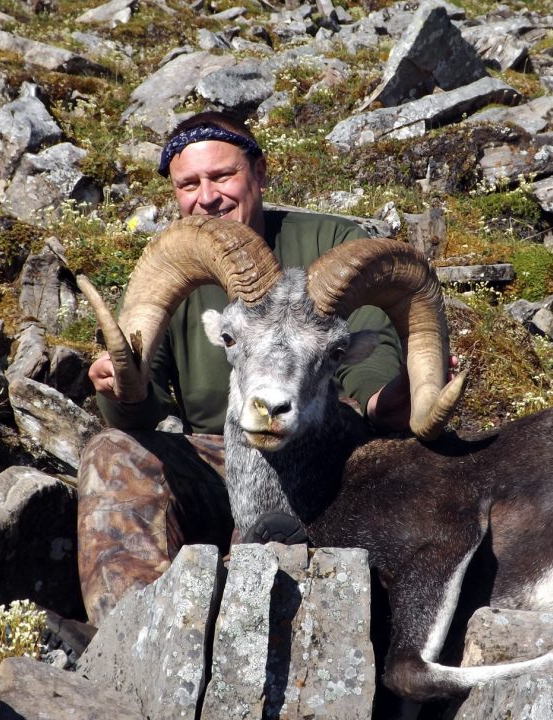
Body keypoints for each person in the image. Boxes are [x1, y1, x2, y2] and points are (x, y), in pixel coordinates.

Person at [76, 111, 409, 625]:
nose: (206, 197)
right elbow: (142, 403)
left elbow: (370, 354)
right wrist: (122, 388)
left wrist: (385, 397)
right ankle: (133, 632)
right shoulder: (181, 259)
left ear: (260, 172)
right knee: (110, 452)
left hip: (322, 445)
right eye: (188, 184)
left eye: (222, 176)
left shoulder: (333, 247)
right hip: (220, 453)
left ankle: (279, 573)